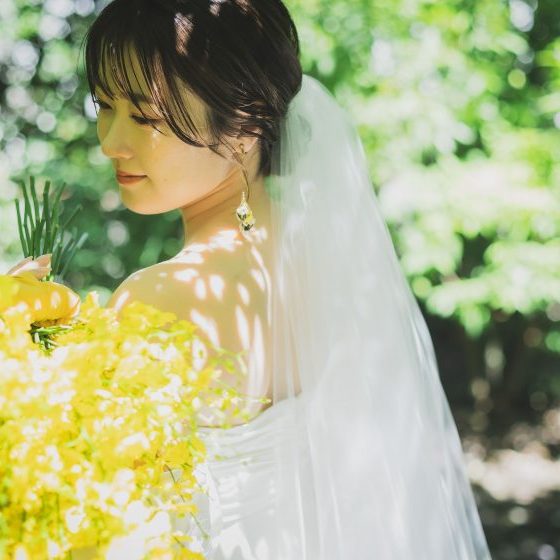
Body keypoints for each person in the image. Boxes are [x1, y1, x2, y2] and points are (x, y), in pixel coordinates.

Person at [11, 0, 494, 557]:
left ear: (244, 125)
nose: (110, 141)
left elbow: (84, 514)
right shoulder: (335, 271)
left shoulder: (161, 298)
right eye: (104, 106)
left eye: (144, 116)